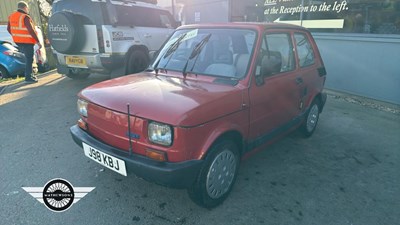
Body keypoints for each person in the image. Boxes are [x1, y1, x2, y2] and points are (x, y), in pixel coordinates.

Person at [7, 1, 42, 83]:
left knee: (27, 58)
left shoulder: (11, 16)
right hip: (27, 41)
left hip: (18, 42)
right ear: (25, 8)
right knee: (29, 59)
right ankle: (28, 77)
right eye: (28, 8)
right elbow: (31, 30)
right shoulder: (25, 17)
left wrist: (16, 35)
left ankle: (30, 75)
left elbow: (9, 29)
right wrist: (38, 41)